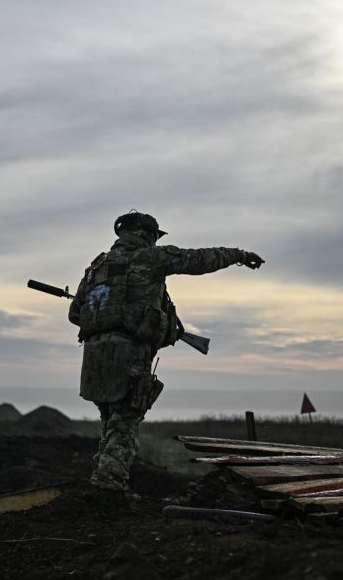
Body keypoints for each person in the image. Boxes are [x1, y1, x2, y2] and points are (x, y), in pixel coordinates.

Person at [68, 211, 264, 492]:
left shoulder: (96, 267)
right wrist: (239, 255)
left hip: (94, 354)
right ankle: (108, 488)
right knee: (124, 423)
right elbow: (199, 259)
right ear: (148, 235)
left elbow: (76, 314)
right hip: (129, 352)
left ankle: (101, 482)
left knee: (111, 419)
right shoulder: (150, 258)